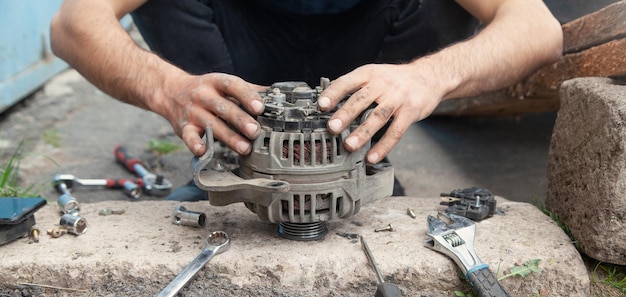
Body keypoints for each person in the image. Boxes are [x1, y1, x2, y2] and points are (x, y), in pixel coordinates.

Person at [50, 0, 563, 199]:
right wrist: (169, 87)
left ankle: (355, 158)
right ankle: (235, 160)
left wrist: (427, 77)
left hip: (366, 51)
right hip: (236, 56)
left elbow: (536, 28)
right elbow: (74, 24)